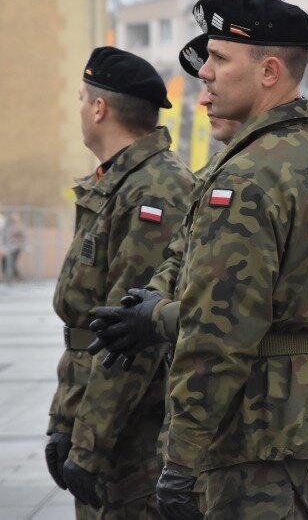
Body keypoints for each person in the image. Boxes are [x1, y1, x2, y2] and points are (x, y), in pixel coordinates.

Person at [91, 0, 308, 520]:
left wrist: (181, 460)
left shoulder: (249, 176)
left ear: (269, 71)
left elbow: (217, 334)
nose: (204, 73)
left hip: (263, 430)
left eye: (220, 58)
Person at [45, 47, 195, 518]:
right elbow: (83, 329)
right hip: (96, 413)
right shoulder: (117, 182)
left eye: (81, 98)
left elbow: (127, 336)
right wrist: (62, 421)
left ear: (99, 108)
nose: (79, 109)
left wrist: (88, 444)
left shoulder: (156, 188)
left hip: (131, 434)